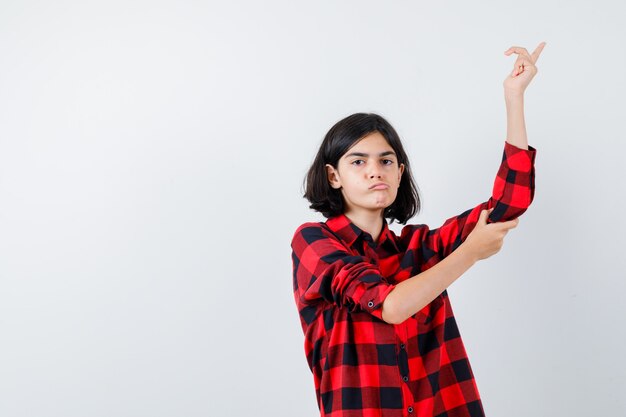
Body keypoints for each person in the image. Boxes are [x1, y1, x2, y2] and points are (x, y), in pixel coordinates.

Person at [290, 43, 545, 417]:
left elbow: (509, 204)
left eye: (386, 160)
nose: (375, 170)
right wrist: (470, 252)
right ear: (334, 176)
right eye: (357, 161)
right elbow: (390, 305)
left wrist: (514, 99)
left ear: (400, 173)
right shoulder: (312, 241)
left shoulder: (419, 247)